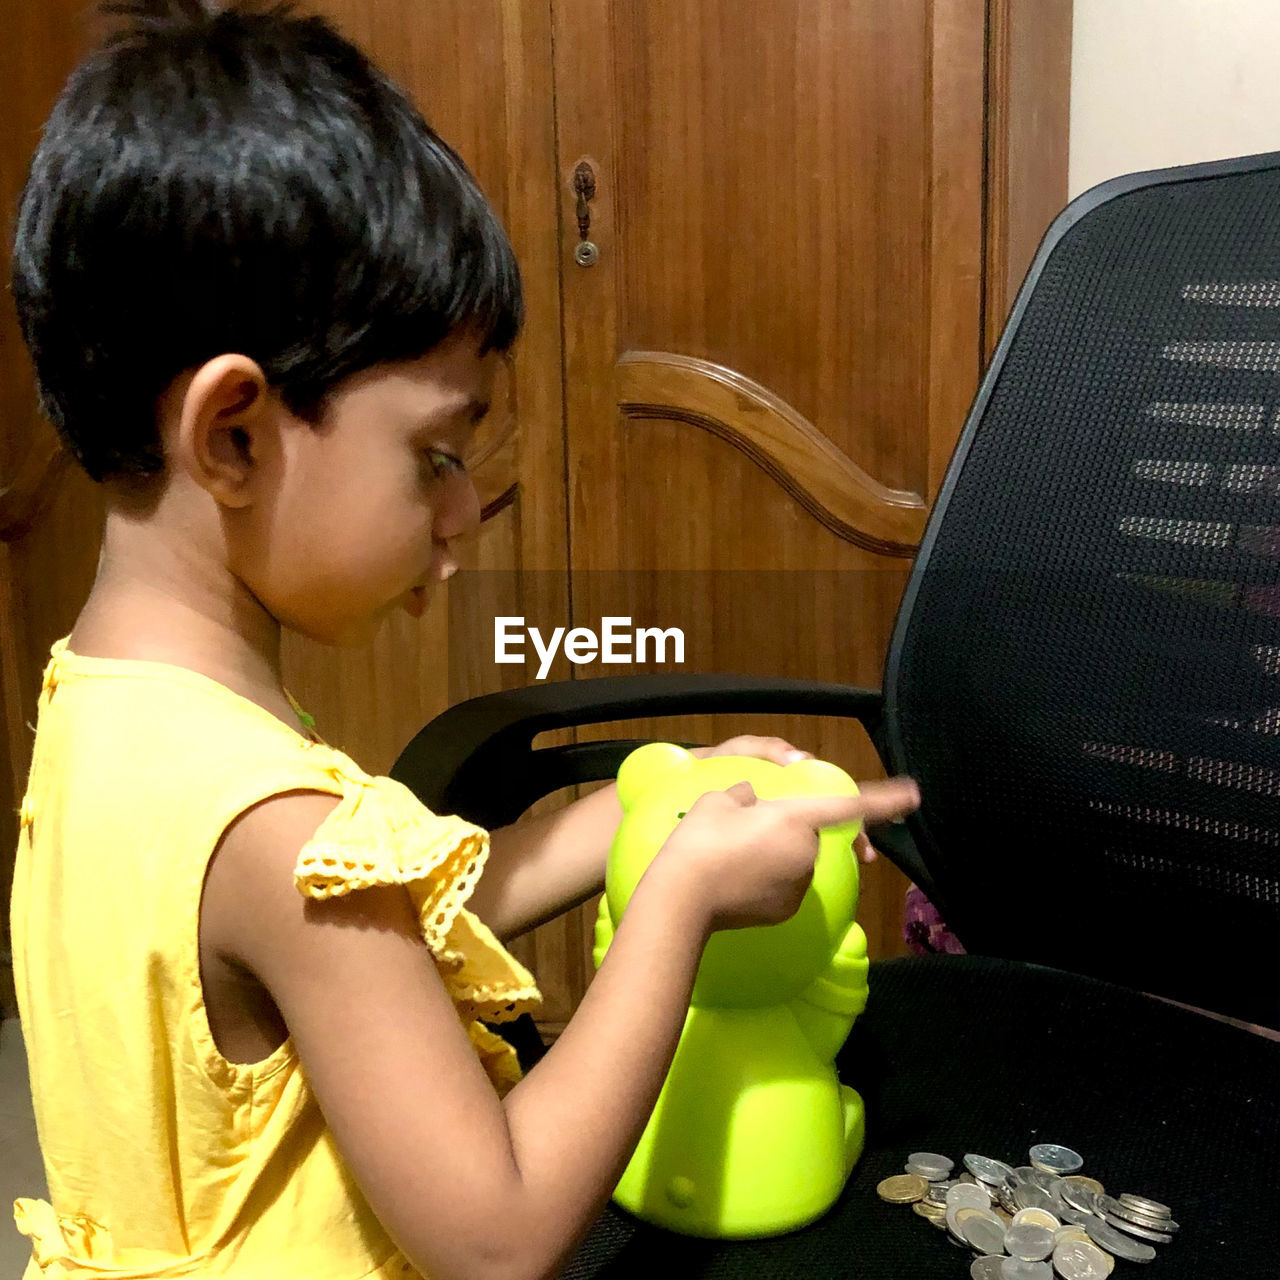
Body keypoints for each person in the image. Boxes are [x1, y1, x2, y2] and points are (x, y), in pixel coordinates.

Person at [6, 4, 921, 1278]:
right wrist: (678, 903)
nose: (461, 509)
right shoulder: (283, 828)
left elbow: (356, 961)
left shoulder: (105, 709)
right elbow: (496, 1232)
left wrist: (626, 815)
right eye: (435, 452)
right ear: (230, 433)